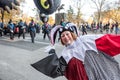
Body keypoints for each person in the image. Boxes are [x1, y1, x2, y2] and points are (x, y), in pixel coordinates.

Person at [31, 22, 120, 80]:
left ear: (72, 34)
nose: (65, 37)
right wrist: (52, 55)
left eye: (67, 34)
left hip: (103, 75)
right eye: (62, 36)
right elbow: (58, 70)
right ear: (61, 40)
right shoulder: (65, 54)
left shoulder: (86, 40)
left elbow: (108, 40)